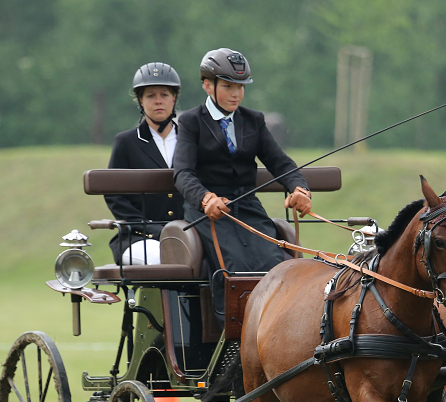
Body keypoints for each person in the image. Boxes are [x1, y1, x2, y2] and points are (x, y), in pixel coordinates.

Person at [173, 48, 312, 321]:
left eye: (240, 87)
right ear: (207, 85)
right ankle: (236, 335)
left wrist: (299, 188)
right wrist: (205, 198)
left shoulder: (253, 120)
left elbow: (281, 163)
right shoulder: (191, 122)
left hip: (247, 206)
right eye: (228, 86)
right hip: (209, 211)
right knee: (235, 269)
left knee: (275, 265)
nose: (236, 93)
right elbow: (183, 173)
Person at [104, 62, 184, 265]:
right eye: (150, 95)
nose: (158, 101)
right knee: (164, 257)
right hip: (139, 236)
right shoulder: (126, 142)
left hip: (189, 232)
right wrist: (148, 227)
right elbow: (115, 196)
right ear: (140, 100)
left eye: (164, 94)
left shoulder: (192, 140)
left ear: (174, 98)